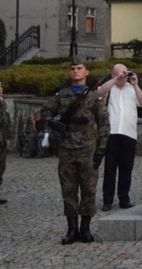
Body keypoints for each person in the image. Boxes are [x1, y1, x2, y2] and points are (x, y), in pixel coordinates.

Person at [41, 57, 108, 244]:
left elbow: (103, 123)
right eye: (72, 68)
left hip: (88, 148)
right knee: (68, 189)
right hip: (66, 148)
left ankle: (85, 229)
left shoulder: (94, 97)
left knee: (88, 188)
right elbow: (44, 112)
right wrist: (53, 123)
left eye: (79, 68)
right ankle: (72, 229)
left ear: (86, 72)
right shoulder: (61, 95)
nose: (75, 71)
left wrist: (101, 149)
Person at [97, 63, 142, 211]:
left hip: (129, 134)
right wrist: (115, 80)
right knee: (110, 169)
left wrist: (135, 84)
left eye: (125, 73)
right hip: (112, 133)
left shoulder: (132, 89)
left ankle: (124, 199)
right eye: (120, 74)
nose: (123, 77)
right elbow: (99, 92)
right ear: (113, 75)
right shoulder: (109, 88)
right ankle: (107, 201)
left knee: (126, 169)